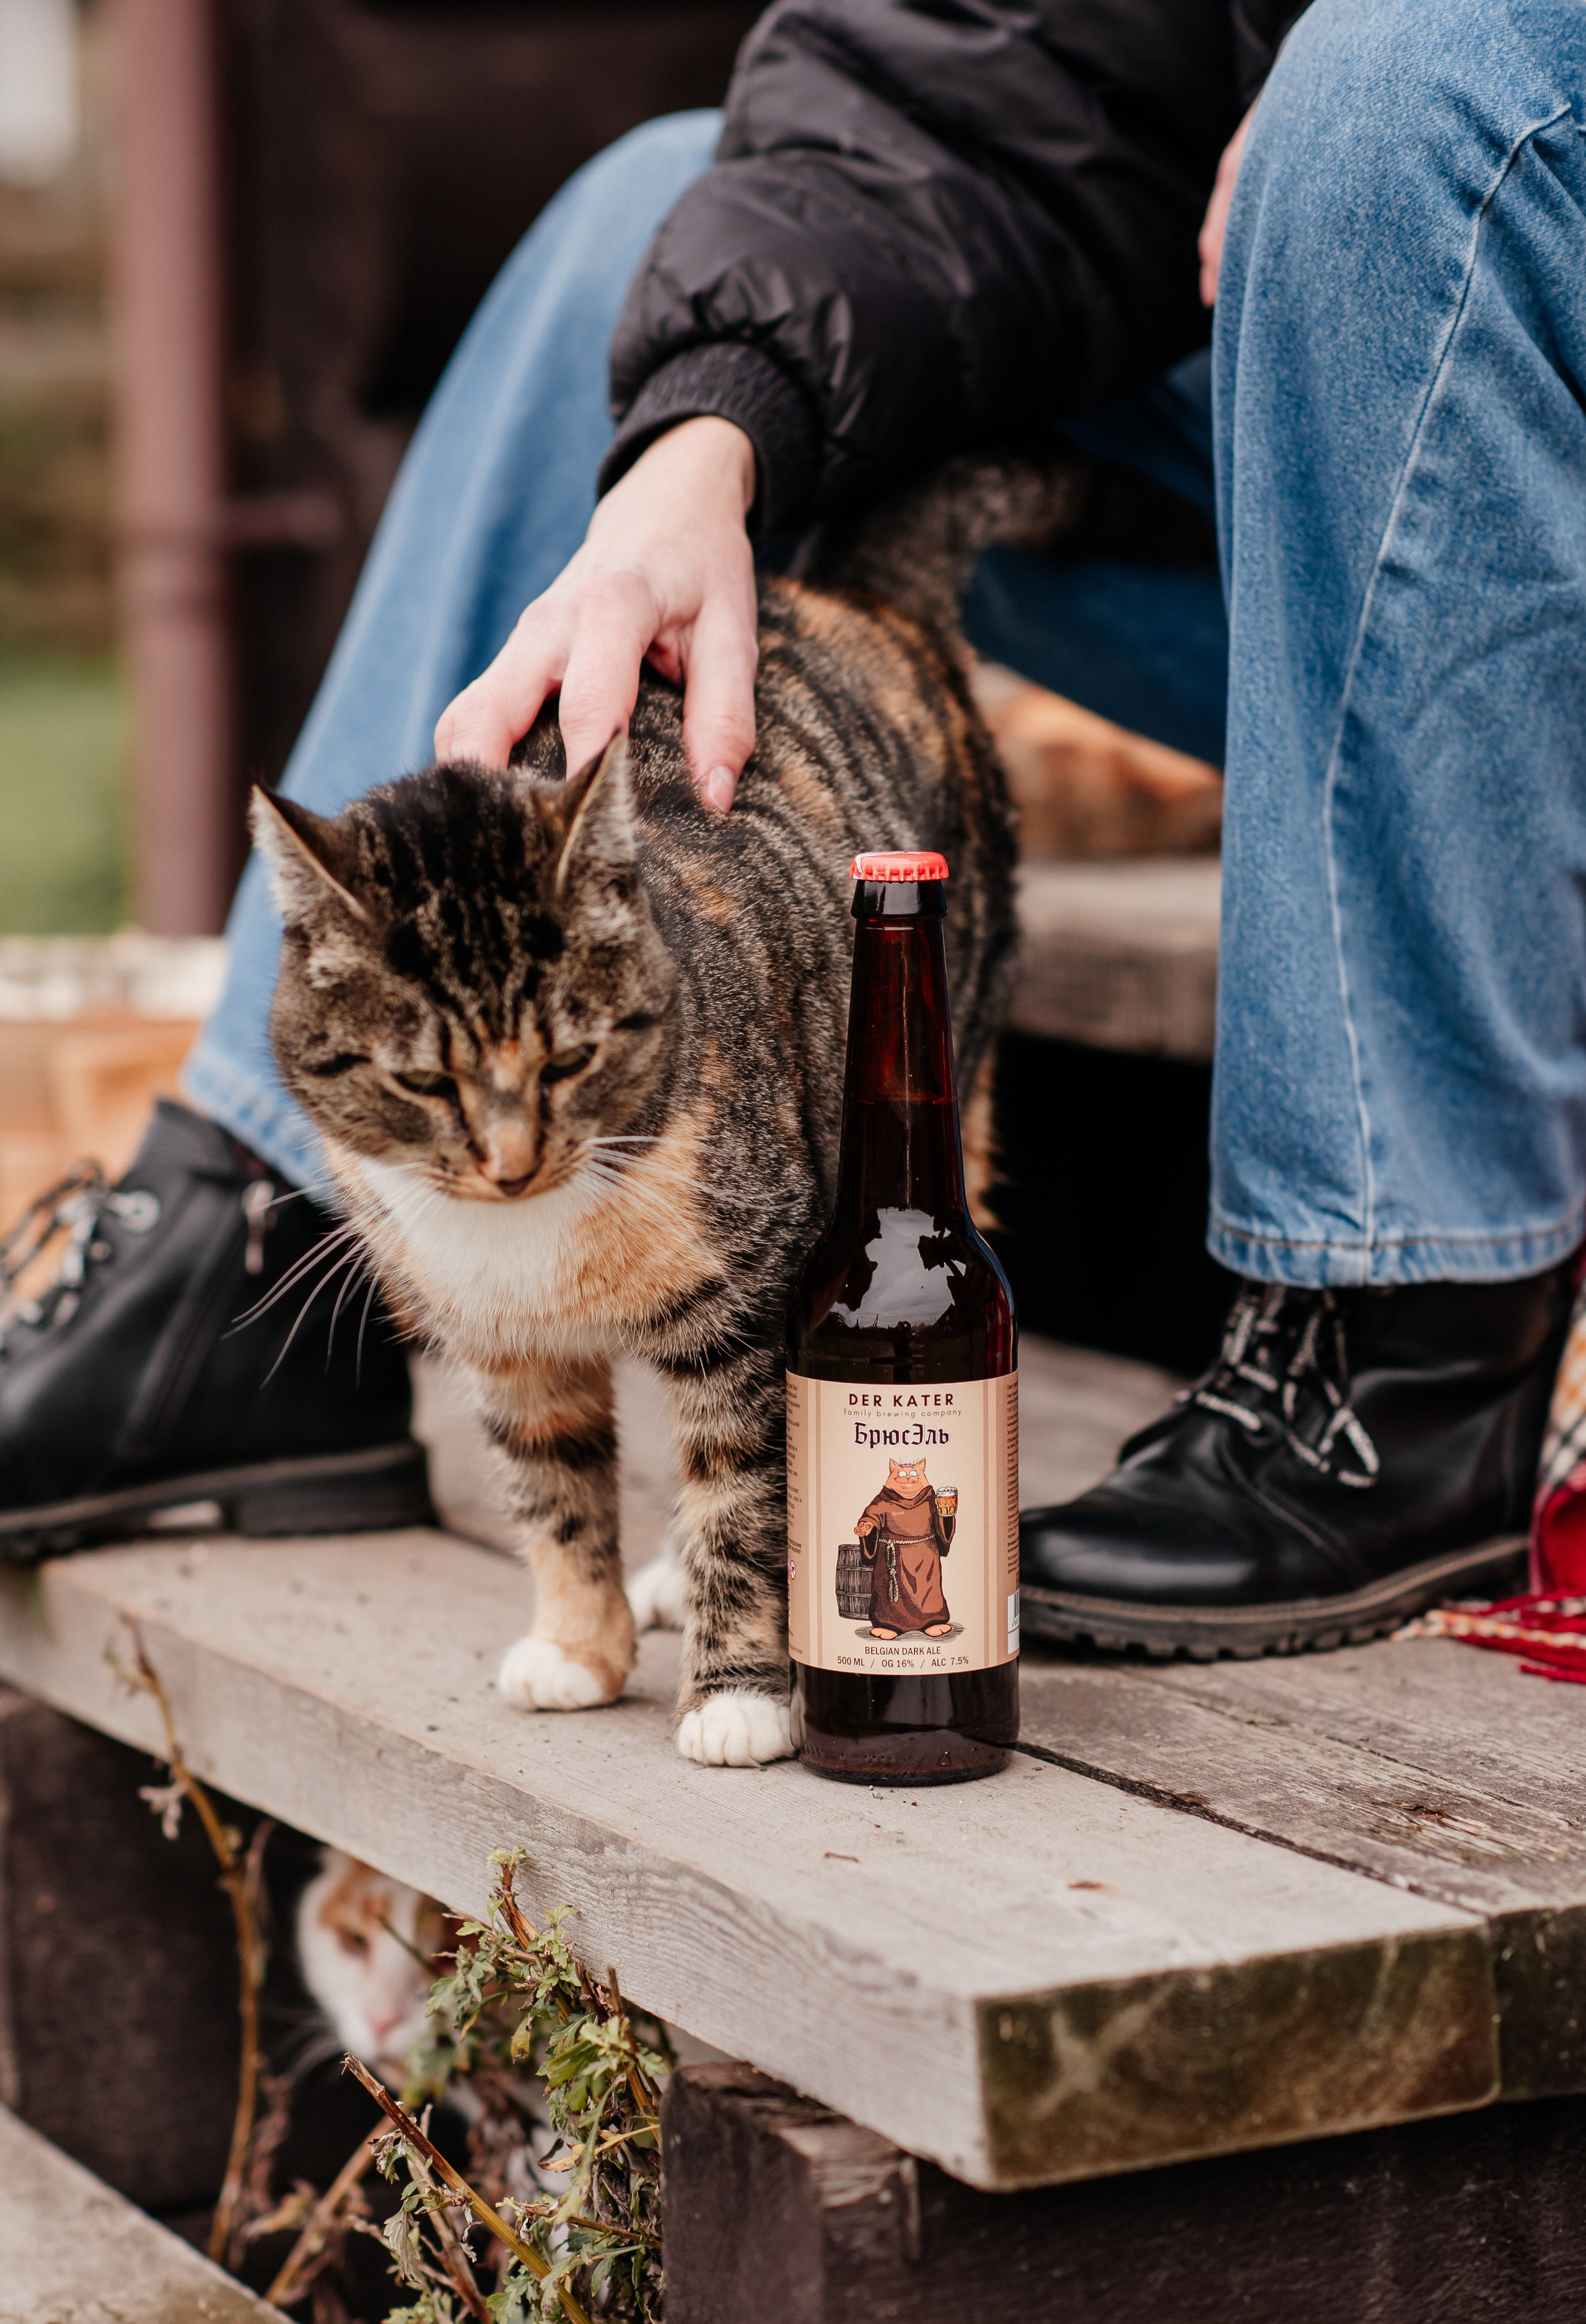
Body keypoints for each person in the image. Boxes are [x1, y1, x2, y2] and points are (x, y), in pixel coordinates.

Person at [2, 0, 1579, 1654]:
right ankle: (247, 1234)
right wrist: (703, 435)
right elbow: (982, 78)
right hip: (1288, 497)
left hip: (1495, 388)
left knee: (1417, 73)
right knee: (656, 205)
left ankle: (1403, 1343)